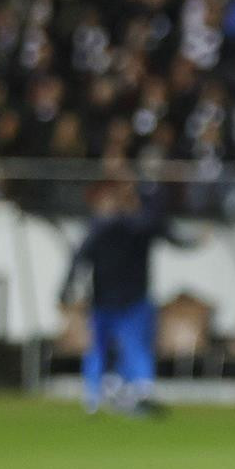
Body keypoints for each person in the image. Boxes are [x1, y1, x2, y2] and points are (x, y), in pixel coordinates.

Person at [61, 177, 195, 415]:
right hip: (118, 299)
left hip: (119, 299)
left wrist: (67, 287)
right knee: (126, 347)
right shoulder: (137, 227)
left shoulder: (105, 228)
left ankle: (102, 395)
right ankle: (134, 392)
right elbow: (164, 229)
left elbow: (79, 258)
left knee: (113, 347)